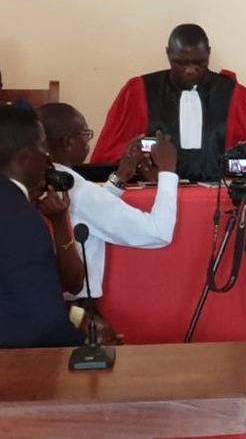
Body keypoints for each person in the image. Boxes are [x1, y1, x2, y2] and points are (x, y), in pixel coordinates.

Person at [39, 103, 178, 311]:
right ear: (68, 141)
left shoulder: (46, 178)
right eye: (85, 134)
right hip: (74, 306)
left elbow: (91, 211)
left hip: (45, 298)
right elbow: (158, 233)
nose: (88, 141)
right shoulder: (78, 191)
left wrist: (121, 175)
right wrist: (167, 170)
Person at [91, 24, 246, 181]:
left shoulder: (235, 95)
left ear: (208, 53)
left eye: (199, 62)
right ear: (168, 53)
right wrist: (139, 165)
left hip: (220, 195)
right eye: (180, 63)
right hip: (153, 193)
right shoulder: (140, 91)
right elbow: (111, 155)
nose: (190, 70)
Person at [0, 104, 83, 348]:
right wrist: (85, 341)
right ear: (24, 157)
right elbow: (42, 317)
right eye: (43, 148)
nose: (48, 158)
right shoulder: (20, 218)